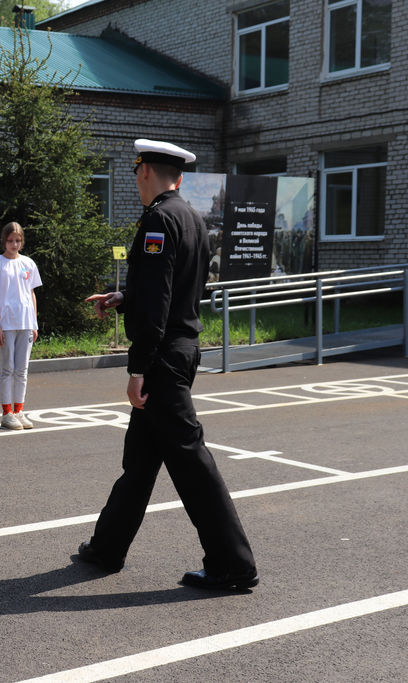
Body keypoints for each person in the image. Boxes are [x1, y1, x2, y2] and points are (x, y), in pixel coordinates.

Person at [80, 139, 258, 590]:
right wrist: (124, 296)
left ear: (144, 171)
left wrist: (138, 368)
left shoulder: (158, 219)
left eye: (136, 172)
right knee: (140, 459)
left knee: (191, 460)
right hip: (181, 347)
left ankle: (233, 565)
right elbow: (177, 288)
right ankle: (107, 547)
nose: (136, 179)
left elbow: (159, 301)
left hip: (162, 357)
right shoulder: (192, 217)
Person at [0, 222, 42, 430]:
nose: (14, 244)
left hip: (25, 322)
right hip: (7, 323)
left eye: (18, 240)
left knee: (22, 369)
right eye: (10, 240)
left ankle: (19, 410)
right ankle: (6, 413)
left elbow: (32, 293)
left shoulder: (28, 263)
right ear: (4, 241)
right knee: (7, 368)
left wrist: (34, 323)